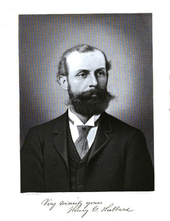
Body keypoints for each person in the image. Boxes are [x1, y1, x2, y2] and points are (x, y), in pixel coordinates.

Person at [21, 44, 154, 192]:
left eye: (100, 73)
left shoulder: (131, 139)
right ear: (64, 82)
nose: (94, 83)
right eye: (83, 74)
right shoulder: (38, 138)